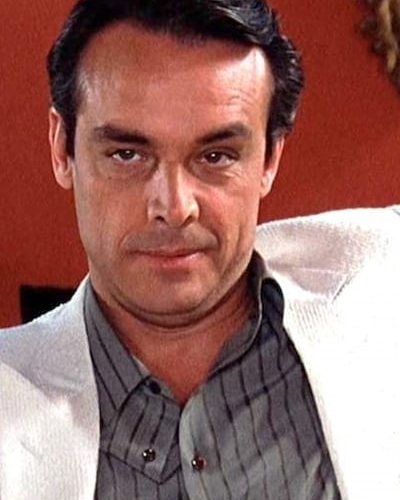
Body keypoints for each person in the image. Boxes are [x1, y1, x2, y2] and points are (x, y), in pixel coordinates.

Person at [0, 0, 399, 499]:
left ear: (269, 160)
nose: (174, 206)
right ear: (62, 149)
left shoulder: (382, 303)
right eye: (127, 154)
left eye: (215, 156)